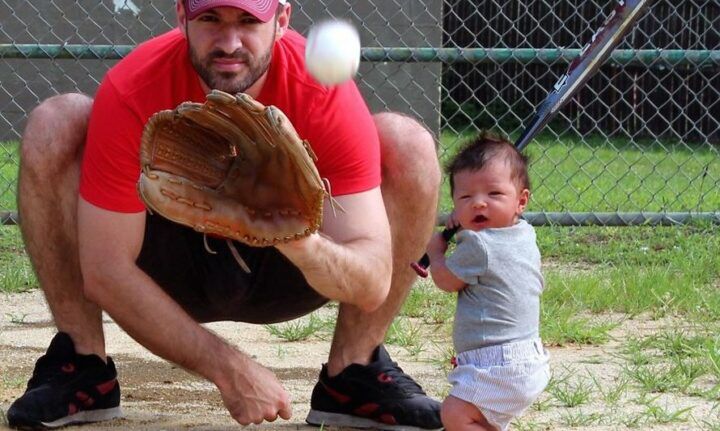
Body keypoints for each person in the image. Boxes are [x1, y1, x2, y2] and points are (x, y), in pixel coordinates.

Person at [8, 0, 443, 429]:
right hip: (170, 267)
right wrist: (228, 368)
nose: (229, 42)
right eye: (211, 18)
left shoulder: (321, 91)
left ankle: (354, 374)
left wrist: (296, 237)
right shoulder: (136, 86)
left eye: (249, 21)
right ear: (182, 16)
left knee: (410, 145)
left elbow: (371, 282)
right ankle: (82, 366)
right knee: (56, 123)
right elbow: (106, 270)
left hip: (290, 271)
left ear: (282, 20)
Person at [424, 132, 550, 431]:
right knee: (479, 418)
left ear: (521, 200)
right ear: (455, 204)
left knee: (455, 414)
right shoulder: (524, 233)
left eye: (494, 195)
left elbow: (446, 280)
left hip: (497, 364)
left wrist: (436, 253)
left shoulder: (480, 247)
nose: (479, 204)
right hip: (526, 359)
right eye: (466, 197)